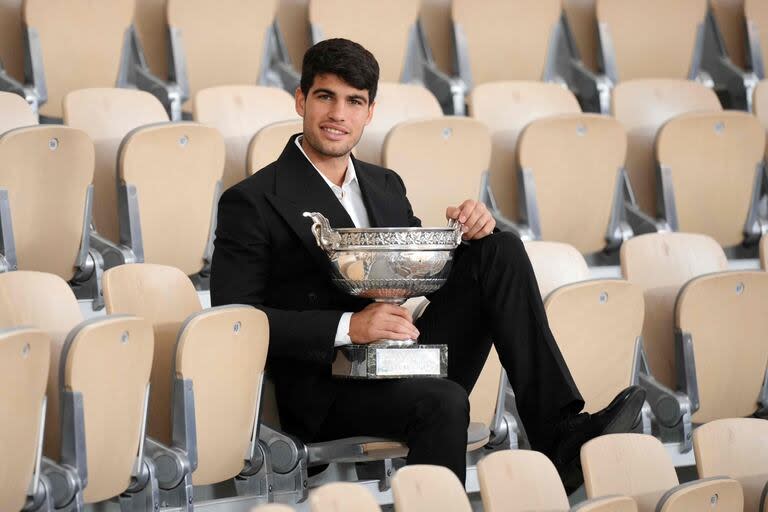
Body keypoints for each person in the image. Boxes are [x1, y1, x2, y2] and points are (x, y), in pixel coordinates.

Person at [210, 38, 645, 490]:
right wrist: (348, 327)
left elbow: (424, 277)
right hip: (329, 389)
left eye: (354, 101)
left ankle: (560, 433)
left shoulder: (384, 185)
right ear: (301, 99)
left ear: (369, 112)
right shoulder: (252, 200)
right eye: (326, 96)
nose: (339, 114)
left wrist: (467, 234)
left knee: (500, 249)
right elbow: (236, 321)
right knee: (444, 401)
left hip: (406, 360)